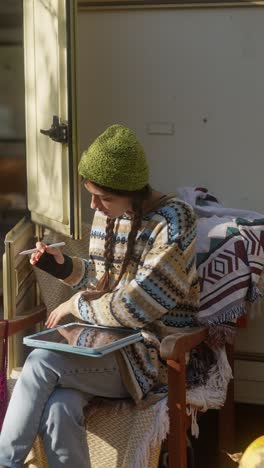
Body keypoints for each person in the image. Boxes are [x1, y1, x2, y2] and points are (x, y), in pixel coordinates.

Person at [0, 124, 199, 468]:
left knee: (40, 361)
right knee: (59, 408)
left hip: (150, 357)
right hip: (104, 347)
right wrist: (63, 267)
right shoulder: (111, 214)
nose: (95, 205)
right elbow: (103, 280)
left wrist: (75, 304)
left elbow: (138, 303)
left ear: (134, 192)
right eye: (92, 195)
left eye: (104, 198)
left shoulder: (175, 220)